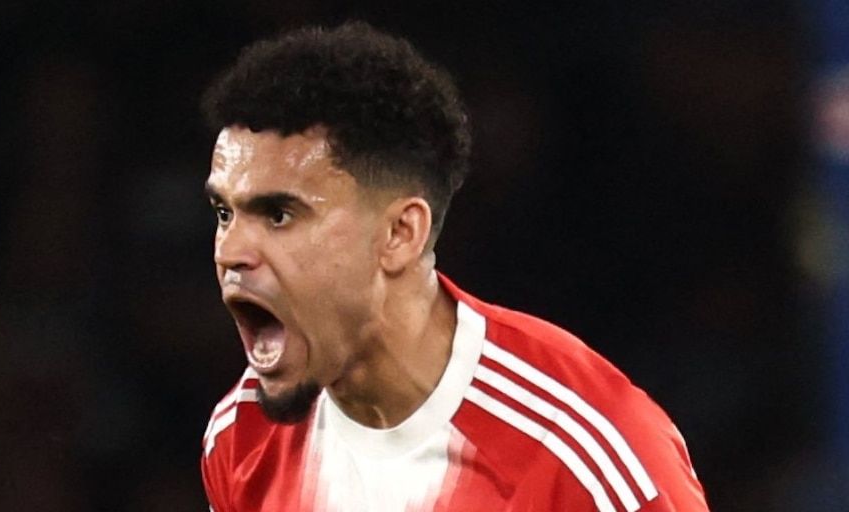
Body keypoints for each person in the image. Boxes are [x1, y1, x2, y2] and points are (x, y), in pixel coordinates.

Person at [199, 21, 708, 512]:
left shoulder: (584, 454)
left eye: (279, 215)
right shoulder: (240, 437)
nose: (230, 250)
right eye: (225, 213)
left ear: (400, 234)